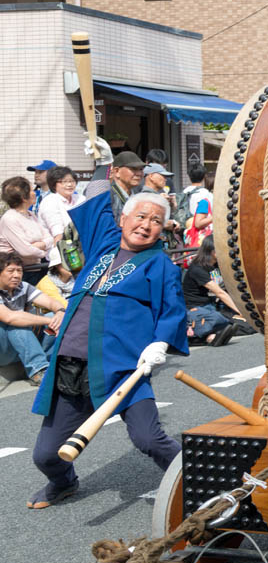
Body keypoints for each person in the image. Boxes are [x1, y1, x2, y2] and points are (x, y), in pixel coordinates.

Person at [27, 190, 189, 509]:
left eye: (156, 220)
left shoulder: (161, 265)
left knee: (149, 439)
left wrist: (160, 342)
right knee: (46, 456)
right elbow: (98, 197)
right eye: (140, 216)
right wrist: (106, 166)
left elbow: (174, 311)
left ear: (164, 228)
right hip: (71, 367)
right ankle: (64, 482)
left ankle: (201, 481)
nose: (146, 225)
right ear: (122, 220)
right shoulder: (104, 242)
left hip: (123, 369)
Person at [0, 254, 66, 386]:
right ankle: (38, 369)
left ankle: (49, 365)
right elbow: (10, 317)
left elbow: (50, 302)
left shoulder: (23, 286)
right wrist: (48, 321)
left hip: (20, 343)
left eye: (19, 271)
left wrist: (59, 312)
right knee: (18, 323)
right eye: (11, 271)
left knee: (54, 319)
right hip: (3, 349)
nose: (16, 275)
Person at [0, 177, 61, 286]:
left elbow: (50, 238)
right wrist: (44, 252)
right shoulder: (9, 218)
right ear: (24, 197)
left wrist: (36, 246)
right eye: (32, 190)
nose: (34, 193)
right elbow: (26, 251)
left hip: (36, 268)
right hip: (19, 273)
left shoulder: (30, 215)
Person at [182, 237, 237, 346]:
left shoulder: (217, 265)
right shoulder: (198, 268)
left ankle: (216, 334)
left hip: (211, 304)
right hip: (195, 308)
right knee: (218, 319)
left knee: (238, 322)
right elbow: (220, 293)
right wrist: (240, 311)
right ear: (211, 251)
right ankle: (210, 336)